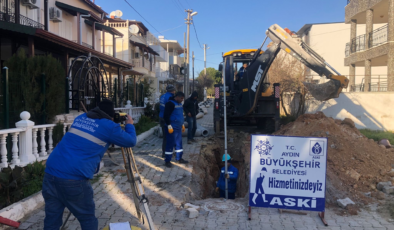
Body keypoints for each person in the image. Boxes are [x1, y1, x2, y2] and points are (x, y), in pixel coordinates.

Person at [43, 99, 137, 230]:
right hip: (74, 178)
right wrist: (129, 124)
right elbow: (131, 141)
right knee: (87, 218)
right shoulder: (110, 127)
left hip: (51, 172)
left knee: (52, 219)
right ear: (111, 115)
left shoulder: (81, 117)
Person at [163, 91, 188, 168]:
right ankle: (167, 161)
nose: (182, 100)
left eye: (183, 98)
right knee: (170, 144)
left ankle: (179, 158)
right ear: (177, 97)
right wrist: (169, 125)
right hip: (172, 128)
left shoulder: (179, 104)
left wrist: (182, 124)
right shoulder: (170, 104)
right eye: (181, 98)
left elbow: (180, 115)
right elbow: (166, 115)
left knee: (179, 144)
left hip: (178, 127)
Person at [159, 85, 176, 158]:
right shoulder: (170, 97)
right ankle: (167, 153)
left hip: (161, 117)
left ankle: (164, 152)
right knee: (169, 136)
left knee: (165, 136)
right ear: (172, 90)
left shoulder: (162, 96)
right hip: (167, 118)